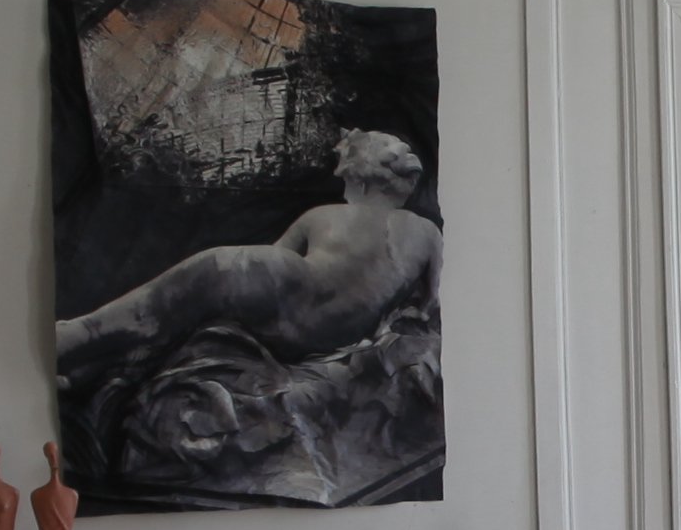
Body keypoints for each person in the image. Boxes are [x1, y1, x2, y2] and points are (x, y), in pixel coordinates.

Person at [56, 126, 442, 375]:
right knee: (173, 315)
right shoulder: (425, 232)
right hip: (322, 329)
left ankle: (82, 338)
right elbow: (429, 306)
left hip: (284, 286)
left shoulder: (324, 215)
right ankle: (85, 356)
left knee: (169, 306)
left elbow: (272, 259)